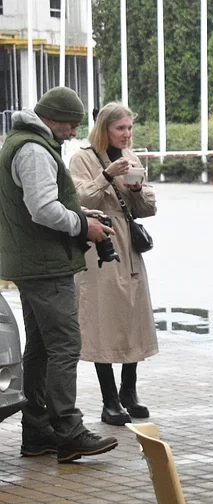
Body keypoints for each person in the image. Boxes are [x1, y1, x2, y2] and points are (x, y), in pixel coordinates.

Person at [0, 86, 119, 463]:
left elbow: (37, 206)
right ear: (53, 119)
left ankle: (38, 431)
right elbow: (42, 209)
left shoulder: (19, 142)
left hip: (31, 262)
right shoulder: (34, 150)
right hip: (45, 265)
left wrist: (81, 215)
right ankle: (69, 432)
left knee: (40, 347)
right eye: (71, 125)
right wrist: (84, 227)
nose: (73, 132)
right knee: (65, 345)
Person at [69, 102, 158, 426]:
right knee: (102, 319)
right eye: (120, 128)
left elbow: (148, 208)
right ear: (104, 128)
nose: (126, 134)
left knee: (133, 316)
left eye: (129, 128)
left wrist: (137, 190)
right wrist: (107, 175)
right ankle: (109, 400)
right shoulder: (82, 158)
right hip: (98, 242)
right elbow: (79, 201)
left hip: (129, 245)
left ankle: (128, 392)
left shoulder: (130, 157)